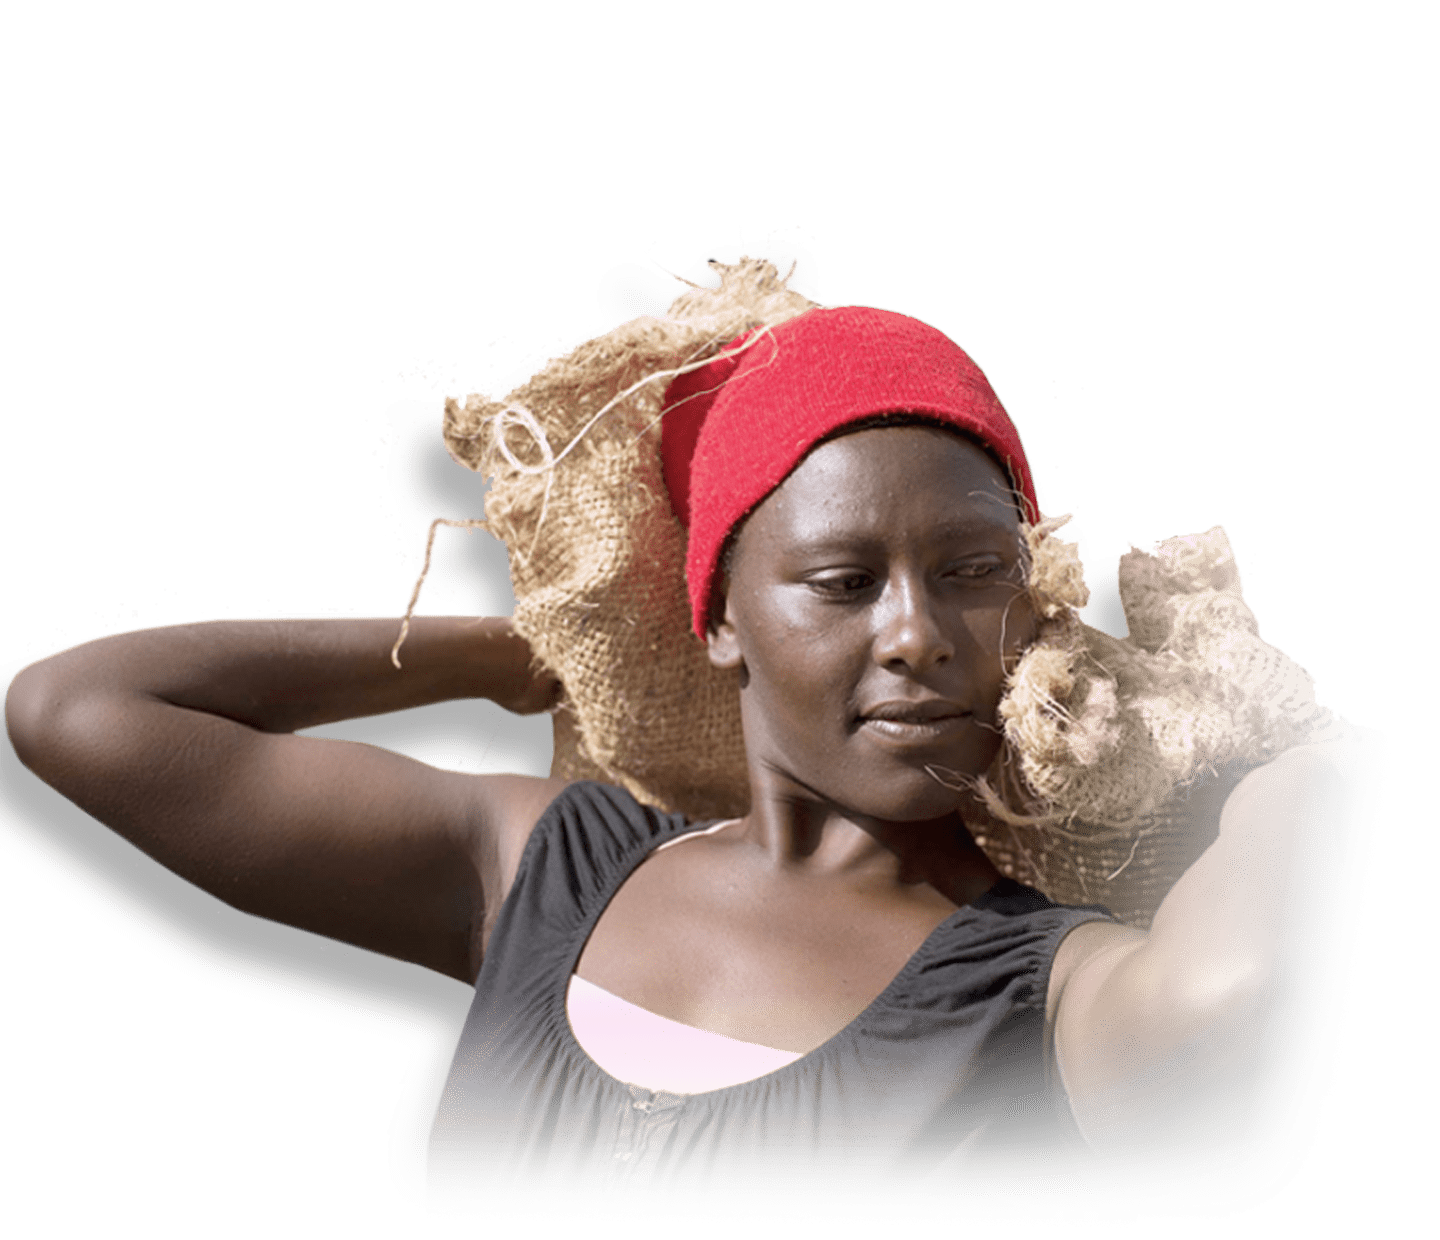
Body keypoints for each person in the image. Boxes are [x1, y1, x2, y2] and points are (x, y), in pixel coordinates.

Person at [2, 276, 1369, 1208]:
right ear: (717, 619)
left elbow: (1235, 1009)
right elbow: (85, 715)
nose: (918, 635)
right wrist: (523, 656)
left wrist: (1293, 749)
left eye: (971, 571)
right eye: (841, 583)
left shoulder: (1040, 978)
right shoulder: (542, 864)